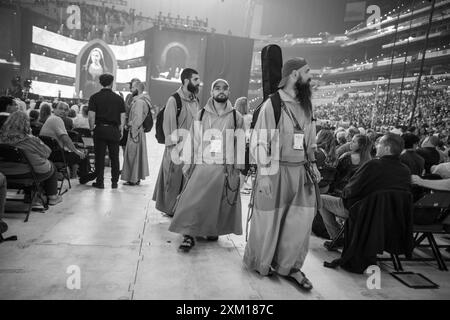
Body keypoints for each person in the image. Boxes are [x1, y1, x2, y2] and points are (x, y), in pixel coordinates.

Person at [243, 57, 321, 291]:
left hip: (300, 172)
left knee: (299, 224)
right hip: (274, 170)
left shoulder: (308, 105)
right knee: (268, 221)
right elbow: (258, 142)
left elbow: (310, 139)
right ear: (295, 75)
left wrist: (314, 163)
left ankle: (290, 268)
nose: (311, 76)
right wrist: (264, 174)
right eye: (307, 72)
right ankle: (262, 262)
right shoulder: (272, 104)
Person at [168, 78, 244, 252]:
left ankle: (211, 229)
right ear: (211, 92)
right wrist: (188, 163)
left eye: (225, 88)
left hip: (224, 167)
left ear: (229, 92)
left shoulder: (236, 116)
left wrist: (238, 170)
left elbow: (239, 144)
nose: (221, 91)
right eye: (217, 88)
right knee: (192, 202)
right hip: (203, 165)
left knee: (216, 204)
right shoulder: (201, 114)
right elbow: (193, 141)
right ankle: (188, 234)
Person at [318, 133, 411, 245]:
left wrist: (343, 195)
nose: (376, 146)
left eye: (379, 143)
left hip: (361, 210)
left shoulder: (373, 165)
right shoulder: (405, 171)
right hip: (387, 215)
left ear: (387, 148)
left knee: (321, 199)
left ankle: (336, 236)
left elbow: (351, 189)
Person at [153, 68, 201, 216]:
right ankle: (170, 209)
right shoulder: (174, 100)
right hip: (176, 149)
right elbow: (169, 127)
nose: (198, 83)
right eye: (195, 80)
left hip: (191, 149)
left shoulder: (195, 100)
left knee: (187, 182)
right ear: (186, 81)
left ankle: (181, 209)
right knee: (172, 182)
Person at [0, 111, 62, 205]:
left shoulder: (1, 138)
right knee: (51, 166)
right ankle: (52, 197)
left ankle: (35, 195)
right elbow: (47, 152)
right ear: (26, 123)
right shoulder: (29, 140)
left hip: (4, 171)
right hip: (28, 172)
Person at [88, 73, 126, 189]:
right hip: (113, 130)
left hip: (100, 129)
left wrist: (91, 129)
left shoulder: (94, 97)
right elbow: (122, 117)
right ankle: (114, 182)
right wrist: (121, 130)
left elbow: (91, 116)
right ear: (112, 83)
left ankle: (100, 182)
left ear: (100, 83)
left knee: (99, 157)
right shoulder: (119, 99)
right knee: (114, 157)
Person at [39, 101, 91, 184]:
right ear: (54, 109)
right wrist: (76, 151)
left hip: (49, 153)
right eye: (60, 108)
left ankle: (84, 176)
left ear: (68, 112)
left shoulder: (52, 118)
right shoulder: (57, 119)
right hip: (56, 155)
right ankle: (84, 178)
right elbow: (65, 138)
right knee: (83, 156)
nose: (63, 111)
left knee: (78, 153)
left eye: (65, 109)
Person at [121, 81, 150, 185]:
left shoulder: (139, 102)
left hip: (136, 132)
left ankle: (133, 179)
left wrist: (130, 126)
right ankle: (135, 178)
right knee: (135, 156)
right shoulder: (141, 101)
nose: (131, 90)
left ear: (138, 89)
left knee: (132, 155)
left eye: (133, 88)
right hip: (138, 131)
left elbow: (137, 119)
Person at [120, 78, 141, 153]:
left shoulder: (140, 98)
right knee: (124, 148)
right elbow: (125, 110)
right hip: (126, 126)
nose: (130, 88)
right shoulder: (129, 96)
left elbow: (131, 110)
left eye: (131, 86)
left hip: (134, 127)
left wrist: (123, 102)